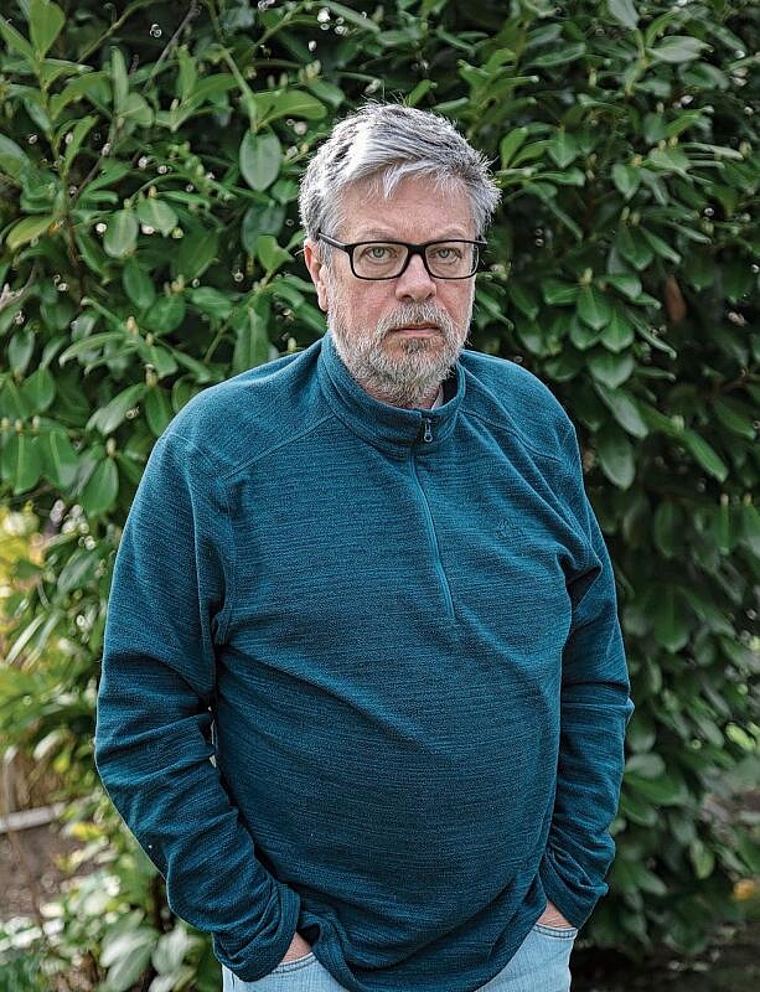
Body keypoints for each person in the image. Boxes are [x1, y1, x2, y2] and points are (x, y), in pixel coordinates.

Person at [95, 103, 633, 992]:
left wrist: (564, 898)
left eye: (447, 253)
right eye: (379, 254)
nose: (419, 285)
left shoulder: (529, 422)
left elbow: (593, 668)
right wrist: (267, 945)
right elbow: (143, 721)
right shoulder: (217, 454)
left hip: (520, 957)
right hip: (311, 971)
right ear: (317, 267)